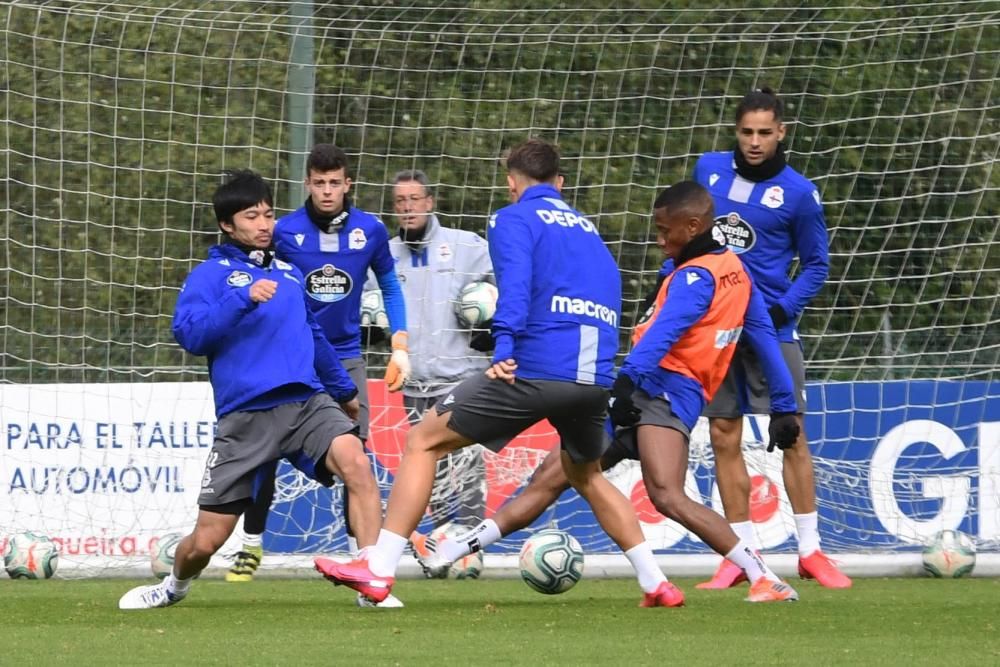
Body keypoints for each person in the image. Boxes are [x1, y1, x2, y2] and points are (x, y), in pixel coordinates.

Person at [316, 138, 685, 608]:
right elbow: (611, 291)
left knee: (423, 440)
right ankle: (656, 582)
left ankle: (378, 569)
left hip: (535, 371)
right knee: (586, 473)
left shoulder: (511, 217)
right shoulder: (589, 230)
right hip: (594, 378)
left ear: (512, 182)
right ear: (560, 183)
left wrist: (504, 344)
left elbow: (516, 284)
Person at [417, 183, 802, 603]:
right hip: (644, 389)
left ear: (692, 226)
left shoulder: (695, 277)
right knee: (550, 478)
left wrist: (624, 389)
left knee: (666, 494)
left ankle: (763, 575)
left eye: (664, 230)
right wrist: (784, 406)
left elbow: (661, 338)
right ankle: (453, 550)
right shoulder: (733, 269)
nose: (659, 239)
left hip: (663, 394)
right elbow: (764, 333)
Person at [119, 170, 380, 610]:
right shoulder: (209, 276)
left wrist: (343, 390)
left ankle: (373, 580)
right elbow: (190, 336)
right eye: (251, 216)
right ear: (227, 225)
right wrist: (243, 298)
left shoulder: (290, 274)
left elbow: (313, 335)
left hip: (305, 402)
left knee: (357, 464)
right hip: (246, 417)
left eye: (268, 213)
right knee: (206, 541)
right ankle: (173, 587)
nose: (264, 224)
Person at [223, 145, 409, 606]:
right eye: (319, 183)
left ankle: (363, 569)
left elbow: (388, 283)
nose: (327, 191)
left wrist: (399, 341)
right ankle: (251, 541)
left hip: (344, 357)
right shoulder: (283, 231)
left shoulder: (371, 230)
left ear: (349, 184)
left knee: (356, 461)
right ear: (307, 183)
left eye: (335, 183)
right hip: (291, 358)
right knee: (264, 454)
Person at [694, 87, 851, 589]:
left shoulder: (799, 193)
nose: (755, 142)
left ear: (782, 132)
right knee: (723, 434)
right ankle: (740, 556)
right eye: (746, 132)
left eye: (765, 132)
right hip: (717, 326)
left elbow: (818, 265)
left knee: (792, 434)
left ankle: (810, 552)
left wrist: (781, 309)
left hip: (773, 329)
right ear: (735, 132)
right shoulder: (708, 170)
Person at [371, 169, 493, 562]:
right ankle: (445, 541)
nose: (407, 208)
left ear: (430, 202)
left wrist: (487, 306)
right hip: (415, 381)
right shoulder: (385, 254)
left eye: (414, 199)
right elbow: (373, 309)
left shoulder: (467, 246)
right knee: (432, 469)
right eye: (400, 202)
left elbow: (497, 288)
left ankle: (472, 547)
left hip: (463, 377)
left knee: (469, 464)